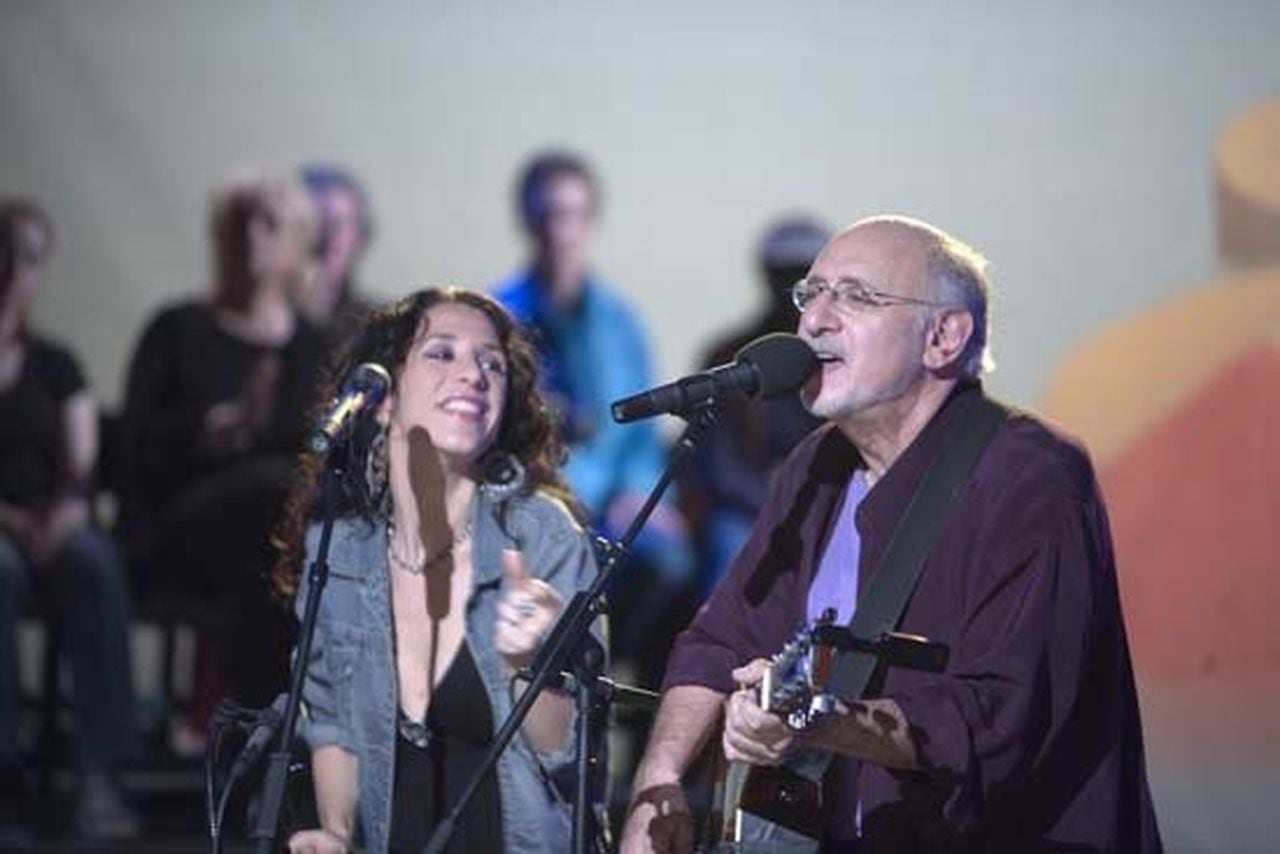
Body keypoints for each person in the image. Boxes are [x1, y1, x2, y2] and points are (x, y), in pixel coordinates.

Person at [621, 216, 1162, 852]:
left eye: (855, 296)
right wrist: (657, 786)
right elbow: (723, 636)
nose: (814, 320)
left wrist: (815, 721)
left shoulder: (1031, 477)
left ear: (944, 337)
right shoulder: (817, 465)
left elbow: (992, 719)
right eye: (811, 293)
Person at [275, 288, 603, 853]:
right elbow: (330, 722)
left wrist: (530, 662)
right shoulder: (340, 550)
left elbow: (568, 757)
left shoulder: (541, 536)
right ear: (381, 397)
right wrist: (334, 833)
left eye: (492, 364)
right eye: (441, 353)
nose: (473, 374)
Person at [119, 168, 327, 714]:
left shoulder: (313, 346)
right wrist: (210, 432)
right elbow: (132, 450)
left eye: (267, 223)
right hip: (185, 535)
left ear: (297, 240)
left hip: (286, 543)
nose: (252, 236)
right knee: (276, 494)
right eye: (238, 223)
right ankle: (259, 722)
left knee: (295, 530)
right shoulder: (177, 330)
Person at [493, 150, 692, 676]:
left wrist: (643, 494)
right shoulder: (501, 316)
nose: (562, 232)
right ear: (528, 221)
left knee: (671, 561)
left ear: (590, 222)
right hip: (537, 500)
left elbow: (643, 433)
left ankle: (610, 686)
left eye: (573, 215)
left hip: (613, 503)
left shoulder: (619, 319)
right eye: (549, 216)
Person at [0, 199, 140, 840]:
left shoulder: (56, 364)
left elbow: (81, 465)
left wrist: (60, 515)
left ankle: (99, 778)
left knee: (94, 562)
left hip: (51, 522)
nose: (13, 270)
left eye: (29, 259)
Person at [683, 215, 828, 595]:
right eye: (783, 274)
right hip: (744, 512)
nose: (791, 288)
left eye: (805, 275)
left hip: (824, 510)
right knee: (731, 548)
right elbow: (715, 463)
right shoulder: (730, 356)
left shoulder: (842, 360)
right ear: (765, 276)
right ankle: (717, 652)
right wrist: (775, 505)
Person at [298, 163, 378, 350]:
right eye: (319, 221)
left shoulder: (381, 327)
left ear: (361, 238)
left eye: (341, 223)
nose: (328, 235)